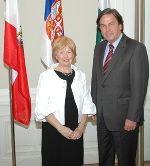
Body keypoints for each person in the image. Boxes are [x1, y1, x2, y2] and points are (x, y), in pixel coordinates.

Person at [91, 8, 149, 166]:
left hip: (125, 119)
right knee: (104, 160)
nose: (107, 29)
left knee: (125, 161)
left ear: (120, 25)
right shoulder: (99, 48)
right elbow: (96, 80)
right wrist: (94, 106)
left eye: (111, 24)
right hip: (102, 117)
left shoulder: (136, 48)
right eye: (102, 26)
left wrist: (132, 117)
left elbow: (139, 87)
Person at [35, 36, 96, 166]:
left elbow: (86, 103)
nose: (65, 55)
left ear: (74, 54)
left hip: (76, 129)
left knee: (74, 161)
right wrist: (61, 128)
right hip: (53, 129)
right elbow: (42, 107)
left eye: (69, 51)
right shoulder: (46, 77)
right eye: (61, 52)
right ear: (55, 55)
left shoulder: (81, 76)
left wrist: (81, 128)